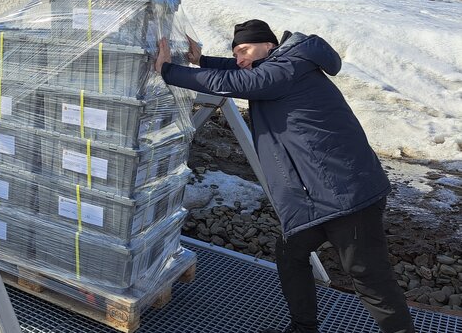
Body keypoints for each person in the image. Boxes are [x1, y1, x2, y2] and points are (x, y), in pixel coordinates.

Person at [154, 20, 415, 333]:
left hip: (346, 193)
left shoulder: (287, 68)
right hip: (317, 197)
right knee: (291, 253)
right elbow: (244, 72)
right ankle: (303, 327)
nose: (239, 58)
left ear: (269, 45)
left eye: (244, 49)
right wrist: (202, 61)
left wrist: (168, 70)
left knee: (368, 276)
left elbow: (239, 82)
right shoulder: (281, 66)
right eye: (235, 52)